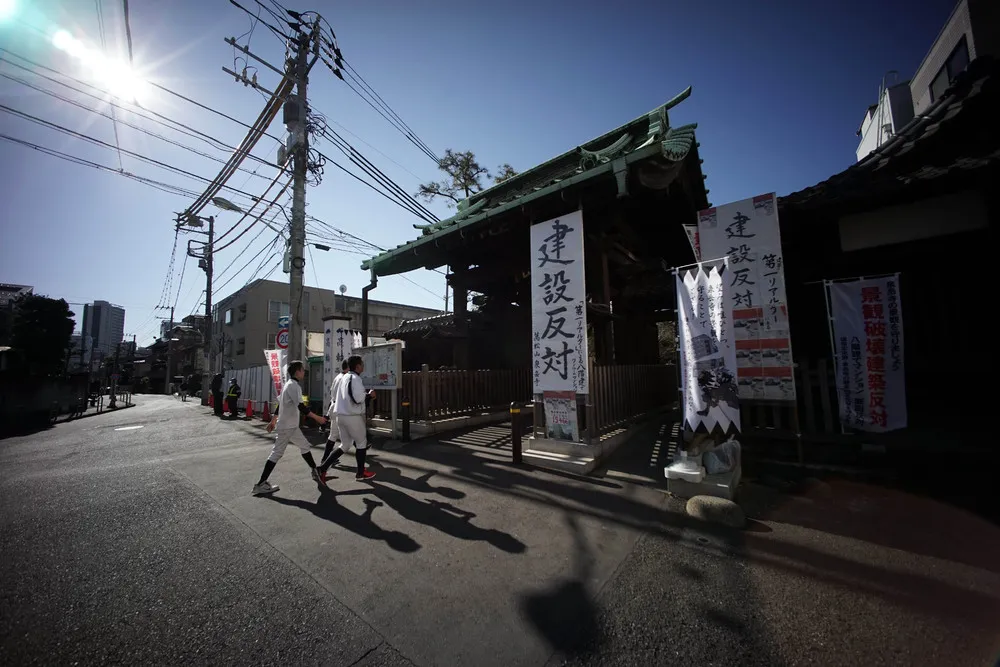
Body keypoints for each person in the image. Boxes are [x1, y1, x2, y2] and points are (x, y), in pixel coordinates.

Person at [253, 360, 328, 496]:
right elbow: (301, 407)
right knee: (277, 453)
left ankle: (314, 470)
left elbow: (280, 405)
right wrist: (318, 419)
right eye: (303, 370)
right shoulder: (294, 386)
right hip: (287, 427)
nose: (304, 372)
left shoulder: (288, 385)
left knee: (304, 446)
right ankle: (260, 484)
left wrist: (273, 421)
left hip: (290, 426)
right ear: (297, 371)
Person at [334, 355, 377, 481]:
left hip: (340, 415)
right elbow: (358, 399)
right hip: (352, 416)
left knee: (345, 445)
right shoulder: (355, 378)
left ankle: (323, 468)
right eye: (362, 364)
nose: (363, 366)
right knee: (361, 443)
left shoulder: (344, 377)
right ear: (357, 366)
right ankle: (360, 473)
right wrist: (369, 395)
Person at [315, 360, 350, 481]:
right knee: (347, 440)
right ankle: (324, 466)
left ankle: (325, 460)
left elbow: (332, 394)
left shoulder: (337, 377)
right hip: (341, 410)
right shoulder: (345, 378)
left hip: (334, 408)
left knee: (333, 436)